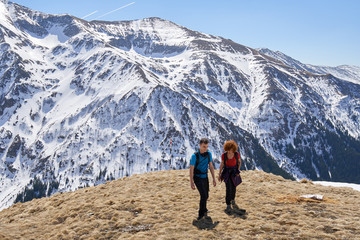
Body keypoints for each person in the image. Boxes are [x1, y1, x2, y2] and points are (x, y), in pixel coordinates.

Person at [190, 138, 217, 220]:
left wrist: (214, 178)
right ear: (199, 145)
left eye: (206, 147)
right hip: (197, 178)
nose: (205, 148)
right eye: (203, 146)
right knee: (203, 195)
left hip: (205, 177)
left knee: (206, 195)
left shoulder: (209, 154)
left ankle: (204, 209)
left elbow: (211, 166)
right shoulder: (195, 156)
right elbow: (191, 169)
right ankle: (200, 214)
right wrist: (191, 182)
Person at [218, 140, 242, 212]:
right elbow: (222, 165)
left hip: (234, 172)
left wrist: (238, 170)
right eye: (228, 150)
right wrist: (219, 174)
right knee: (228, 188)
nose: (229, 152)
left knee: (234, 187)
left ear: (233, 149)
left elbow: (239, 162)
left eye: (231, 150)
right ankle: (228, 204)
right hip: (227, 172)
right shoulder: (224, 155)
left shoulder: (236, 154)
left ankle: (232, 199)